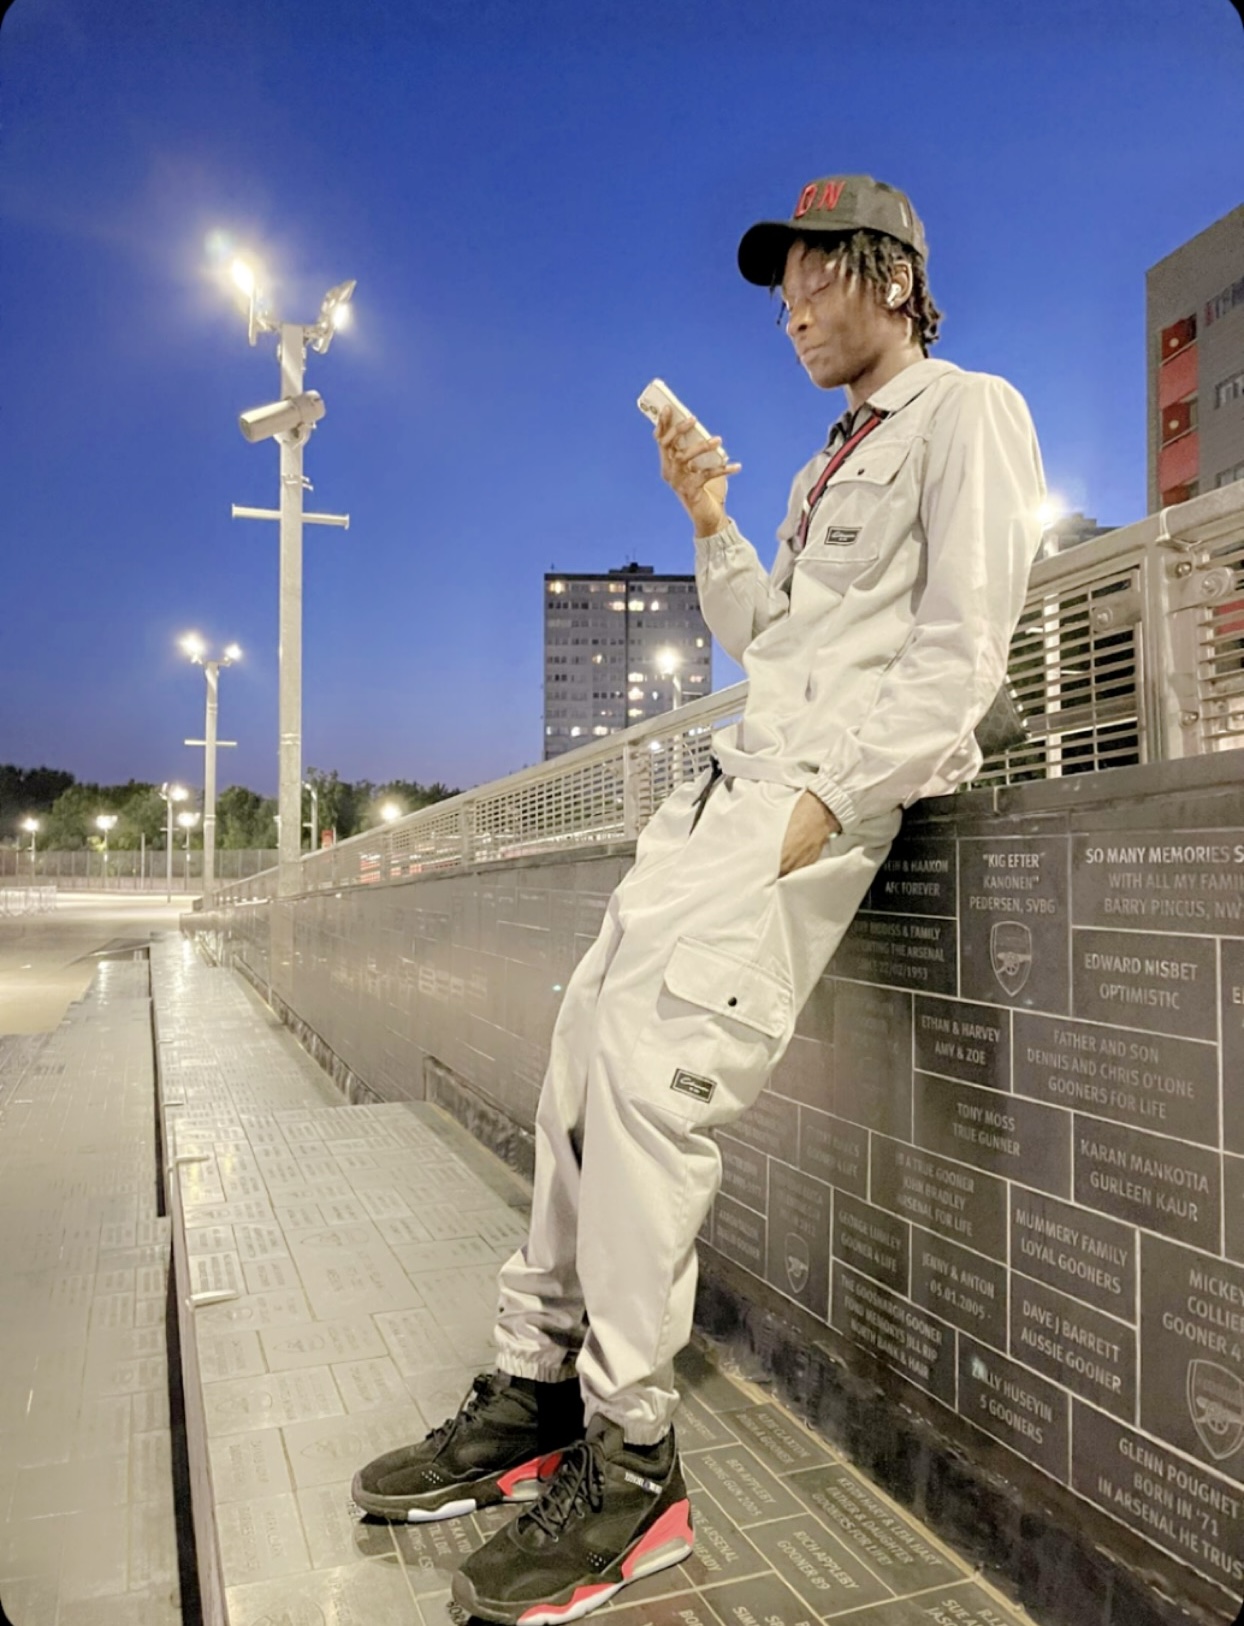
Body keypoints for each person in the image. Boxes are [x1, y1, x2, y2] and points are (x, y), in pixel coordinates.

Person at [353, 172, 1046, 1624]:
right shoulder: (824, 465)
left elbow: (961, 651)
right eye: (783, 290)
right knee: (580, 1061)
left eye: (816, 277)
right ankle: (534, 1389)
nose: (792, 308)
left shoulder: (970, 412)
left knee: (652, 1086)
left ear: (894, 278)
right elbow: (773, 642)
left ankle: (635, 1468)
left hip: (806, 807)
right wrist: (710, 515)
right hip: (722, 797)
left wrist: (821, 810)